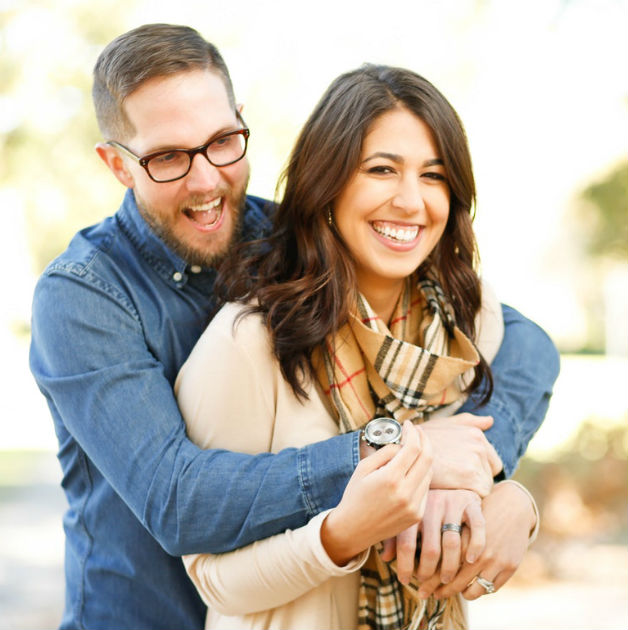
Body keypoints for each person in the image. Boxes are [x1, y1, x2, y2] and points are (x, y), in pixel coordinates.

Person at [28, 23, 559, 630]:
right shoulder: (84, 296)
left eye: (223, 141)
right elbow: (178, 500)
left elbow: (527, 344)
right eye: (167, 157)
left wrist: (487, 478)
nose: (207, 180)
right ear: (117, 165)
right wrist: (395, 453)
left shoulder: (294, 241)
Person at [174, 63, 541, 630]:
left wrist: (514, 501)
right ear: (329, 181)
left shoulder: (468, 319)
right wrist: (345, 531)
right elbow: (213, 578)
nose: (411, 202)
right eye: (381, 170)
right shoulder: (250, 342)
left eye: (434, 175)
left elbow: (474, 461)